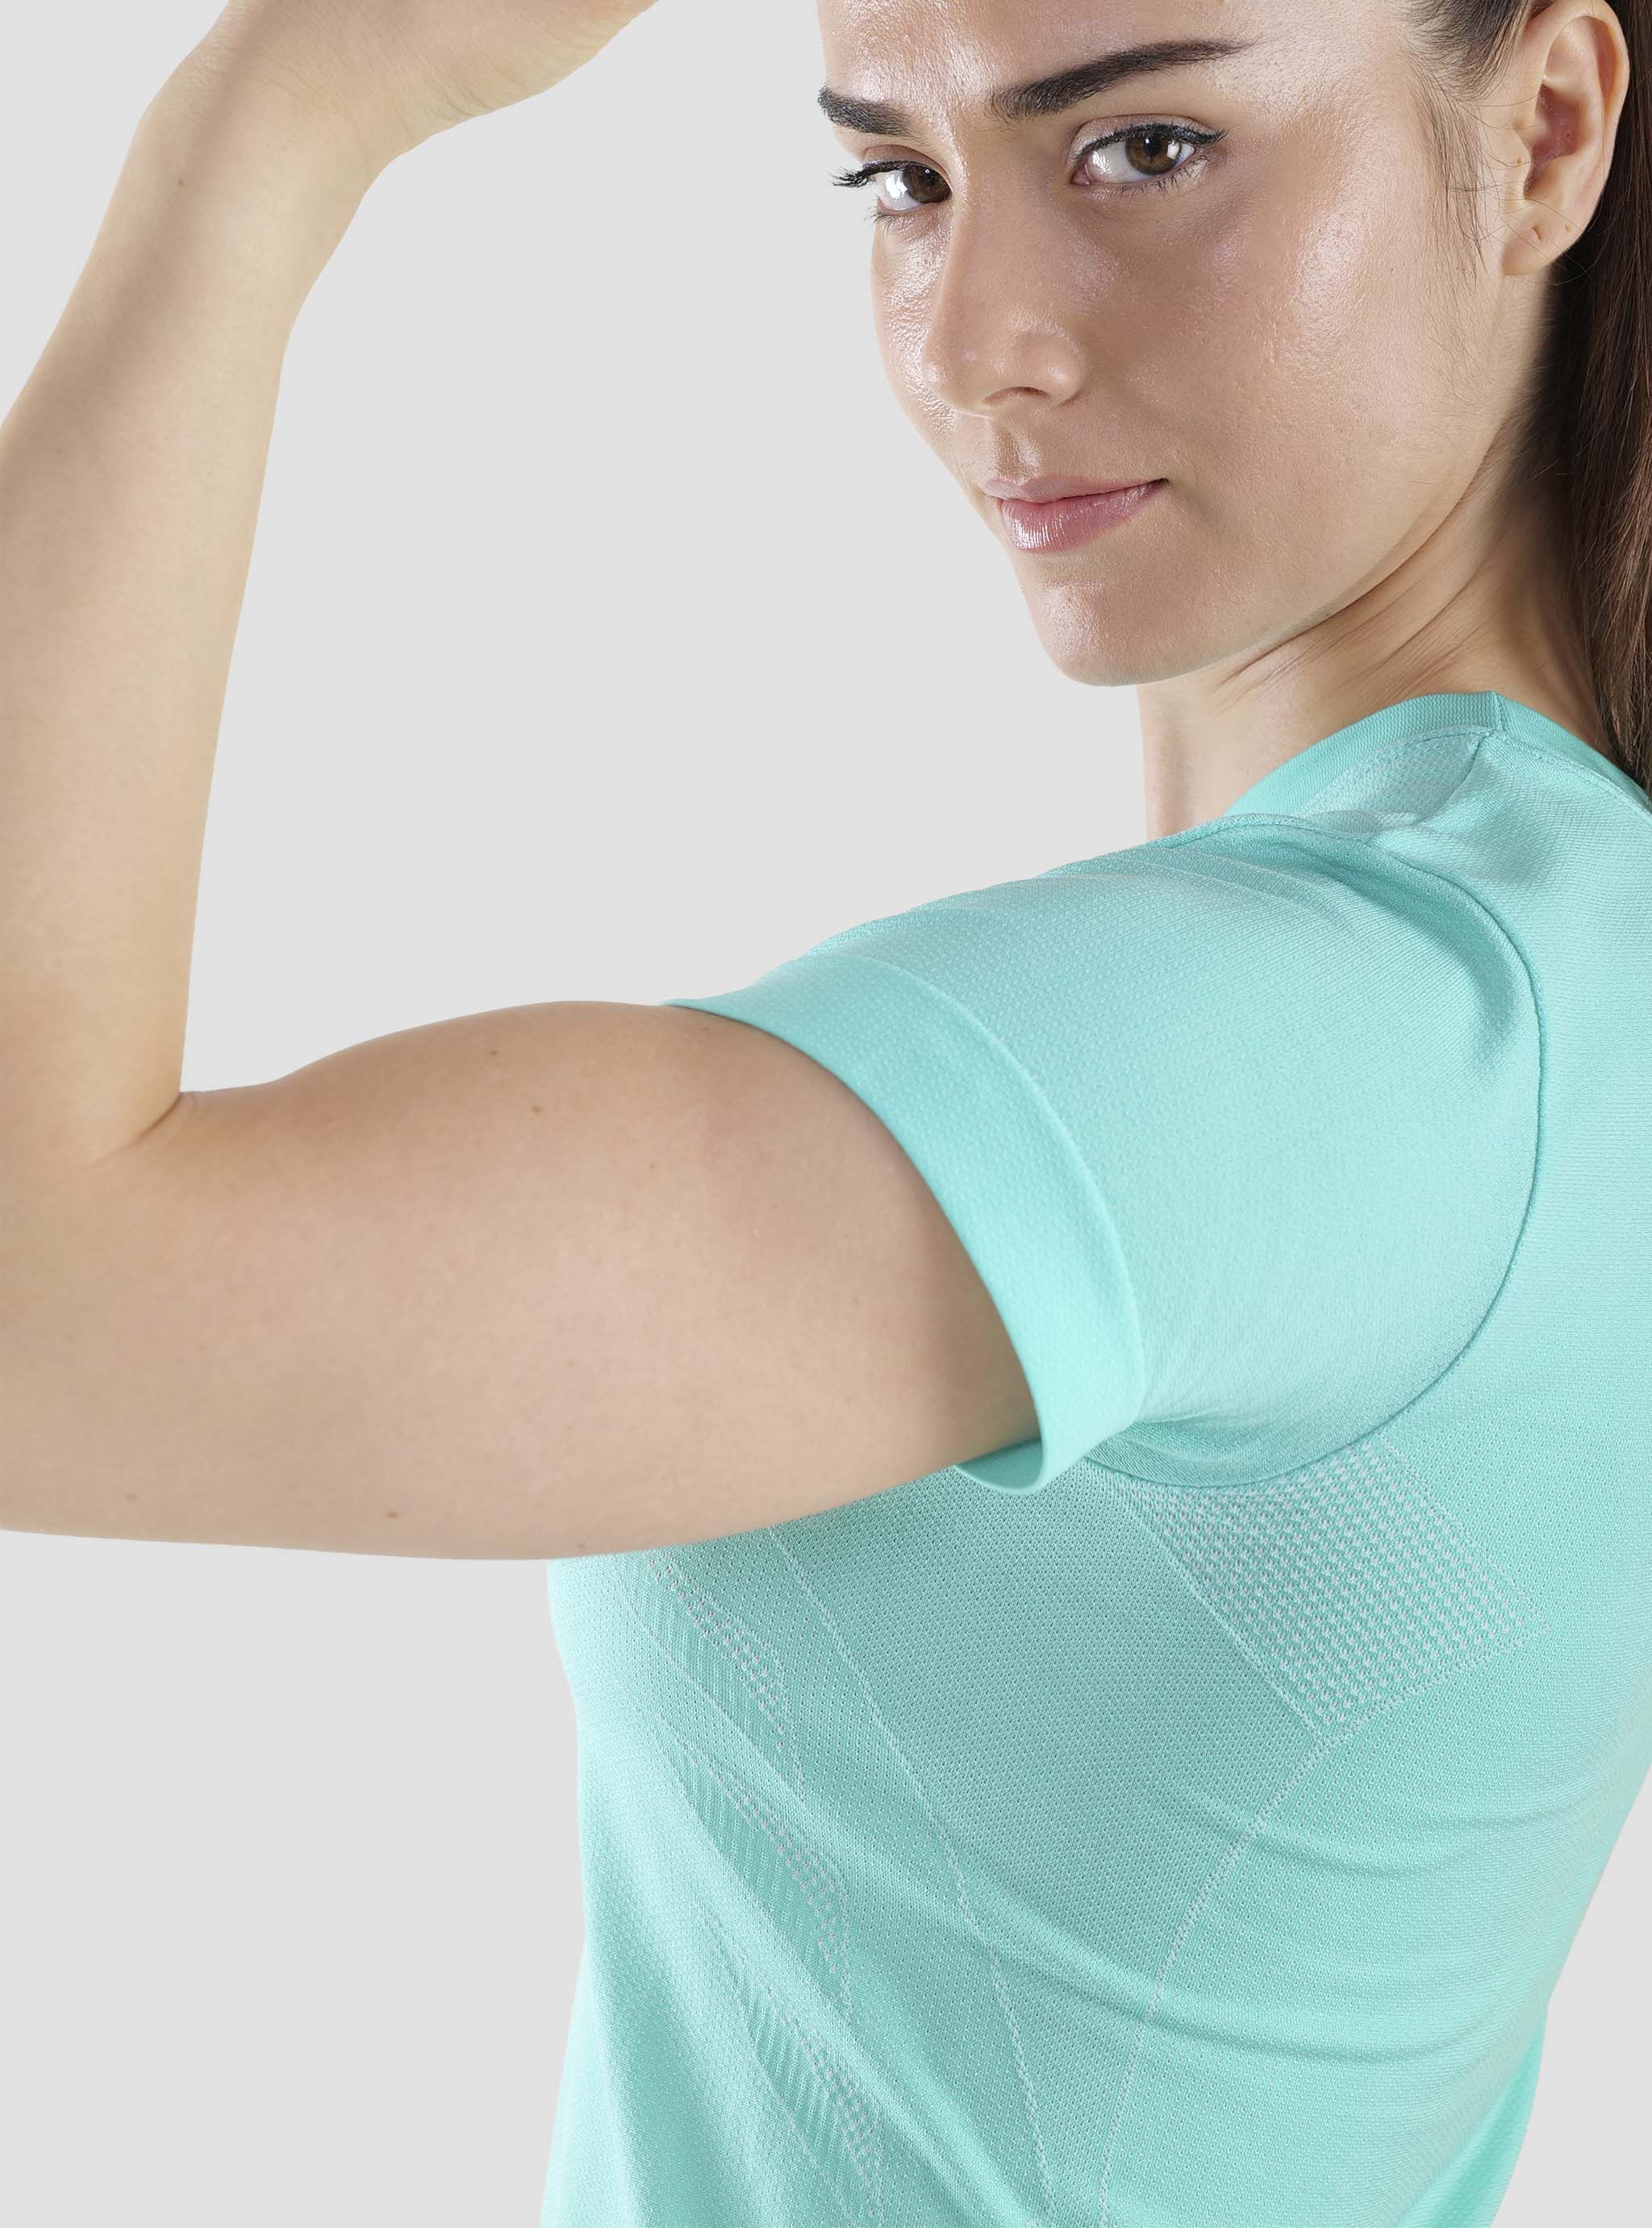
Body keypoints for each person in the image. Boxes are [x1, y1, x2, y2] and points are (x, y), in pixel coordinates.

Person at [1, 0, 1646, 2222]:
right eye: (899, 179)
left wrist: (275, 112)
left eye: (1148, 150)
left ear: (1544, 130)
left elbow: (33, 1306)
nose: (975, 345)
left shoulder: (1331, 1031)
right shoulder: (1552, 956)